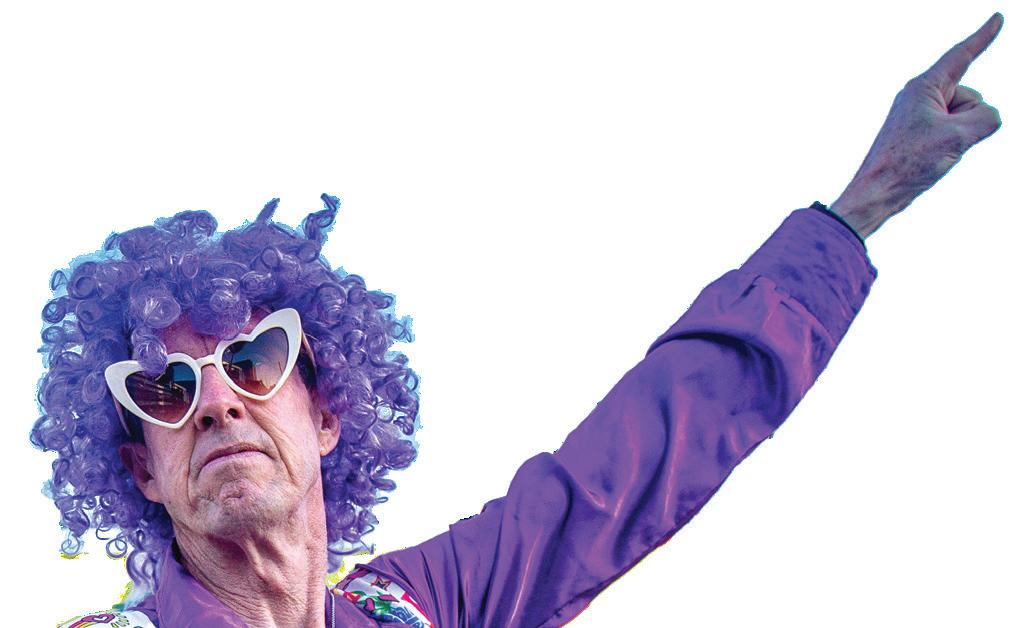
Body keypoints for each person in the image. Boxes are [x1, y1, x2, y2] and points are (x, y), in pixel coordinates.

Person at [34, 12, 1003, 628]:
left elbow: (641, 455)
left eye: (253, 361)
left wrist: (860, 208)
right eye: (166, 390)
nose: (215, 403)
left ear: (325, 414)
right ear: (141, 470)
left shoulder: (427, 605)